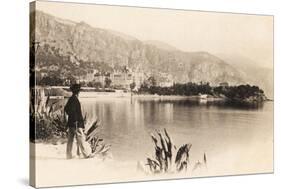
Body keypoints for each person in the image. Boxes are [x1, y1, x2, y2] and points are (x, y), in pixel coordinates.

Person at [64, 83, 91, 159]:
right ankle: (86, 155)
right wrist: (75, 120)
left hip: (71, 123)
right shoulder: (74, 99)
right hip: (76, 123)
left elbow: (66, 109)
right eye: (79, 91)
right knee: (81, 138)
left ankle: (68, 156)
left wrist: (71, 118)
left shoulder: (71, 99)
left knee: (70, 140)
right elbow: (73, 111)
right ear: (77, 92)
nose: (79, 92)